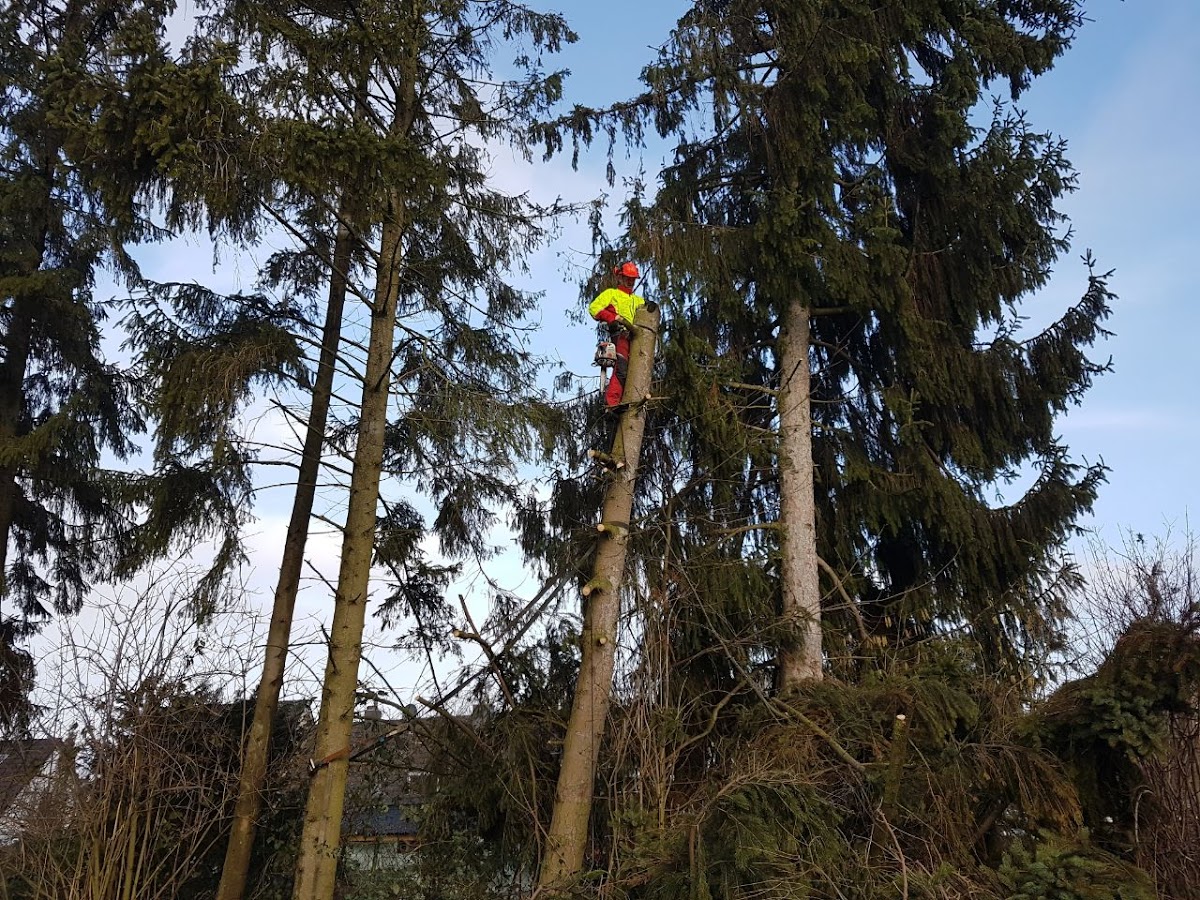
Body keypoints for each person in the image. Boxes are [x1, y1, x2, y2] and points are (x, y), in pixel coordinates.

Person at [588, 261, 645, 407]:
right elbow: (594, 308)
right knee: (622, 368)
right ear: (620, 277)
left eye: (633, 279)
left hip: (636, 339)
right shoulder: (611, 294)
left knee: (635, 371)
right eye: (628, 278)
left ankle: (626, 400)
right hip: (620, 335)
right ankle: (612, 402)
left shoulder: (639, 301)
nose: (630, 281)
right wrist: (612, 318)